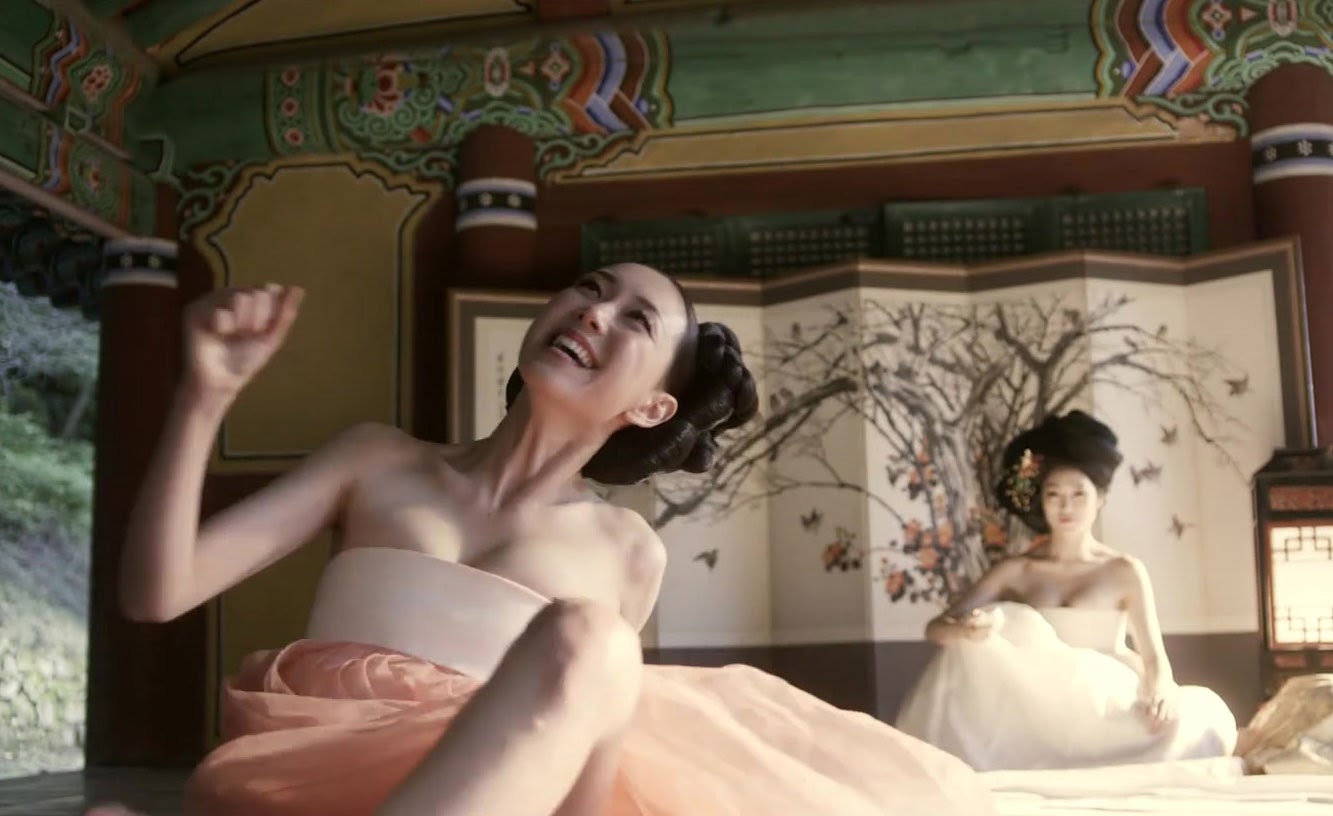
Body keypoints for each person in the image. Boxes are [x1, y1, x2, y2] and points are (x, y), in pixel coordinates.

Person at [108, 264, 994, 815]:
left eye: (634, 320)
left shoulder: (627, 551)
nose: (593, 312)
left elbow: (579, 778)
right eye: (589, 289)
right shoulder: (376, 459)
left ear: (653, 406)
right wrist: (204, 396)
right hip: (296, 785)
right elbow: (157, 592)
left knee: (589, 636)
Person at [895, 410, 1238, 771]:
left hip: (1109, 700)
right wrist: (967, 631)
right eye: (1054, 494)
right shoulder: (1018, 569)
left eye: (1078, 494)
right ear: (1041, 500)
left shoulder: (1124, 571)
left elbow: (1155, 659)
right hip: (1040, 708)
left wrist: (1161, 689)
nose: (1066, 506)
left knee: (1193, 725)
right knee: (990, 645)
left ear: (1099, 499)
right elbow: (936, 628)